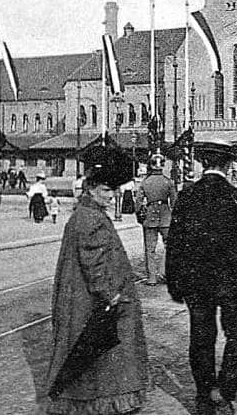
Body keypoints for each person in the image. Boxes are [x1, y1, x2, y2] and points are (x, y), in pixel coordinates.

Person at [166, 139, 237, 415]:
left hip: (196, 282)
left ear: (203, 163)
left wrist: (174, 282)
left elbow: (174, 242)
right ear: (228, 164)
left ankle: (205, 394)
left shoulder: (187, 196)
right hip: (235, 283)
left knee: (201, 337)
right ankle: (224, 391)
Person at [45, 144, 148, 414]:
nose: (112, 196)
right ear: (91, 189)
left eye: (113, 190)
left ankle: (91, 399)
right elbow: (94, 264)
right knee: (107, 353)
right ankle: (104, 402)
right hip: (94, 301)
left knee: (88, 353)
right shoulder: (92, 219)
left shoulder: (85, 214)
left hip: (80, 298)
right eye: (106, 190)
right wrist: (109, 294)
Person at [136, 154, 175, 286]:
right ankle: (166, 273)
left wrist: (139, 215)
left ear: (151, 165)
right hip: (165, 217)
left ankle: (152, 278)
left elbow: (138, 202)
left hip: (150, 216)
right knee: (170, 246)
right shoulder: (168, 182)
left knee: (150, 249)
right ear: (163, 165)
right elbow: (174, 202)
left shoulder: (145, 182)